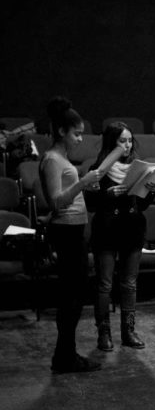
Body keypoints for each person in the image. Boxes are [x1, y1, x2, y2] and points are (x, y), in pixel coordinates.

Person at [39, 96, 103, 373]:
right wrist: (84, 183)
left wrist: (86, 187)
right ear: (62, 131)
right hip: (66, 233)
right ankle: (64, 357)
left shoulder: (61, 158)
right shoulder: (52, 159)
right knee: (70, 298)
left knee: (75, 297)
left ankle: (66, 355)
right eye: (76, 134)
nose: (80, 139)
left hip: (73, 229)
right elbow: (55, 201)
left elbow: (64, 199)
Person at [88, 121, 155, 352]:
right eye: (122, 141)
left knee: (129, 284)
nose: (127, 145)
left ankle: (128, 331)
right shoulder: (99, 168)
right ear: (112, 143)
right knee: (105, 285)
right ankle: (104, 333)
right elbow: (89, 204)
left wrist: (151, 190)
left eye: (130, 140)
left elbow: (143, 205)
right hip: (107, 230)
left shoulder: (138, 167)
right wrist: (107, 195)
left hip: (132, 228)